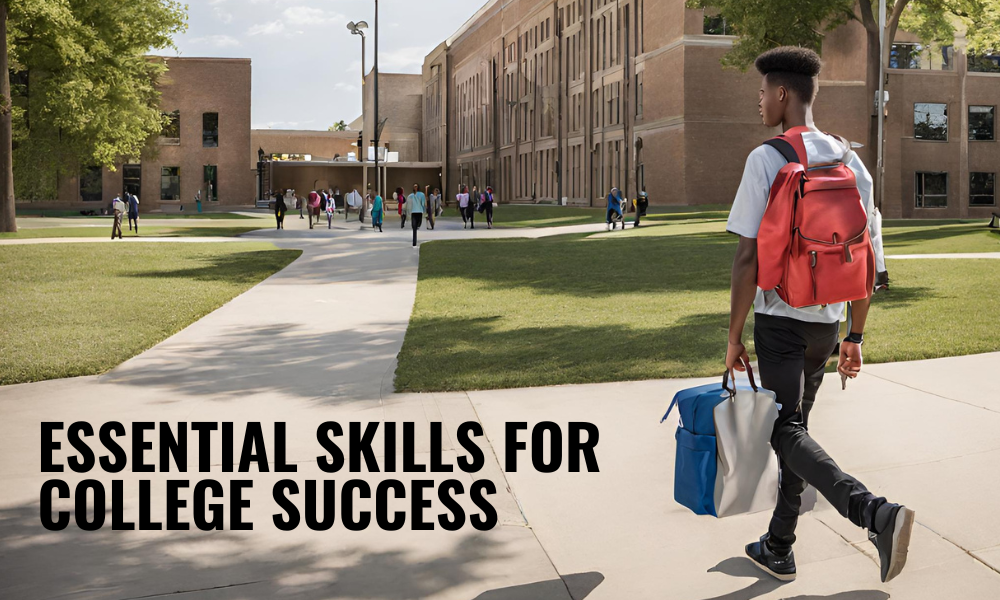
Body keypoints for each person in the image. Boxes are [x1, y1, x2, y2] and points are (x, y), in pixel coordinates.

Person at [725, 46, 908, 585]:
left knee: (783, 430)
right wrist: (855, 335)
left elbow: (745, 257)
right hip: (826, 326)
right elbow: (867, 259)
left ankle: (873, 513)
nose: (759, 102)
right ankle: (779, 545)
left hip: (780, 320)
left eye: (762, 92)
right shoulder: (851, 162)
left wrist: (734, 336)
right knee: (797, 431)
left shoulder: (767, 158)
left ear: (783, 95)